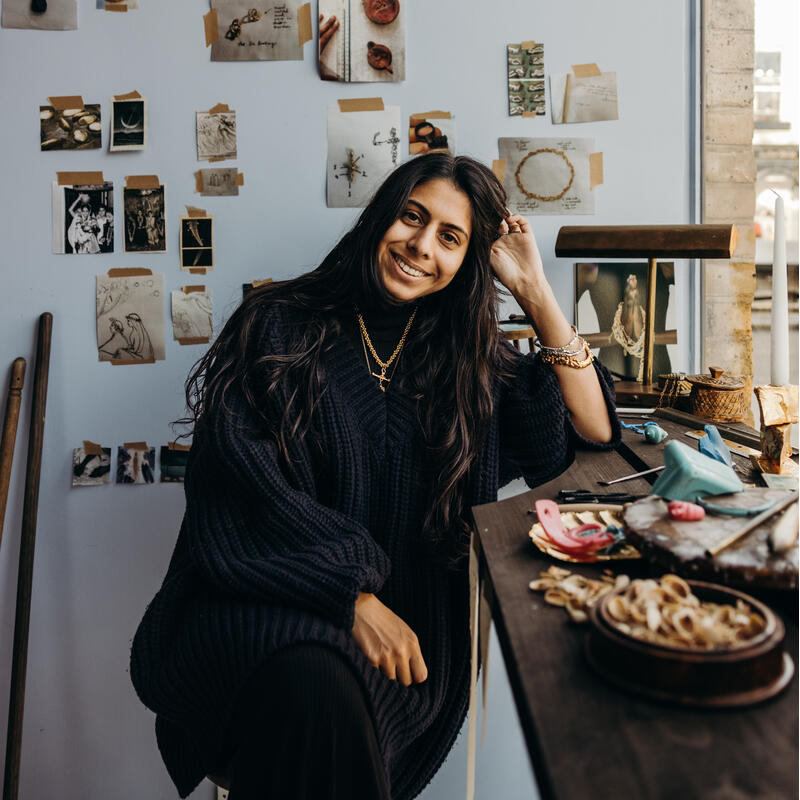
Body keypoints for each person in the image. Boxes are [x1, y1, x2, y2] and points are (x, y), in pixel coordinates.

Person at [129, 153, 619, 800]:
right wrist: (351, 594)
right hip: (258, 596)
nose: (419, 246)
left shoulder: (467, 361)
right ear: (379, 216)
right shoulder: (277, 322)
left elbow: (594, 427)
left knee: (326, 696)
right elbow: (241, 485)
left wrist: (534, 291)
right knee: (311, 684)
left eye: (450, 237)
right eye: (410, 217)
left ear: (468, 259)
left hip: (409, 628)